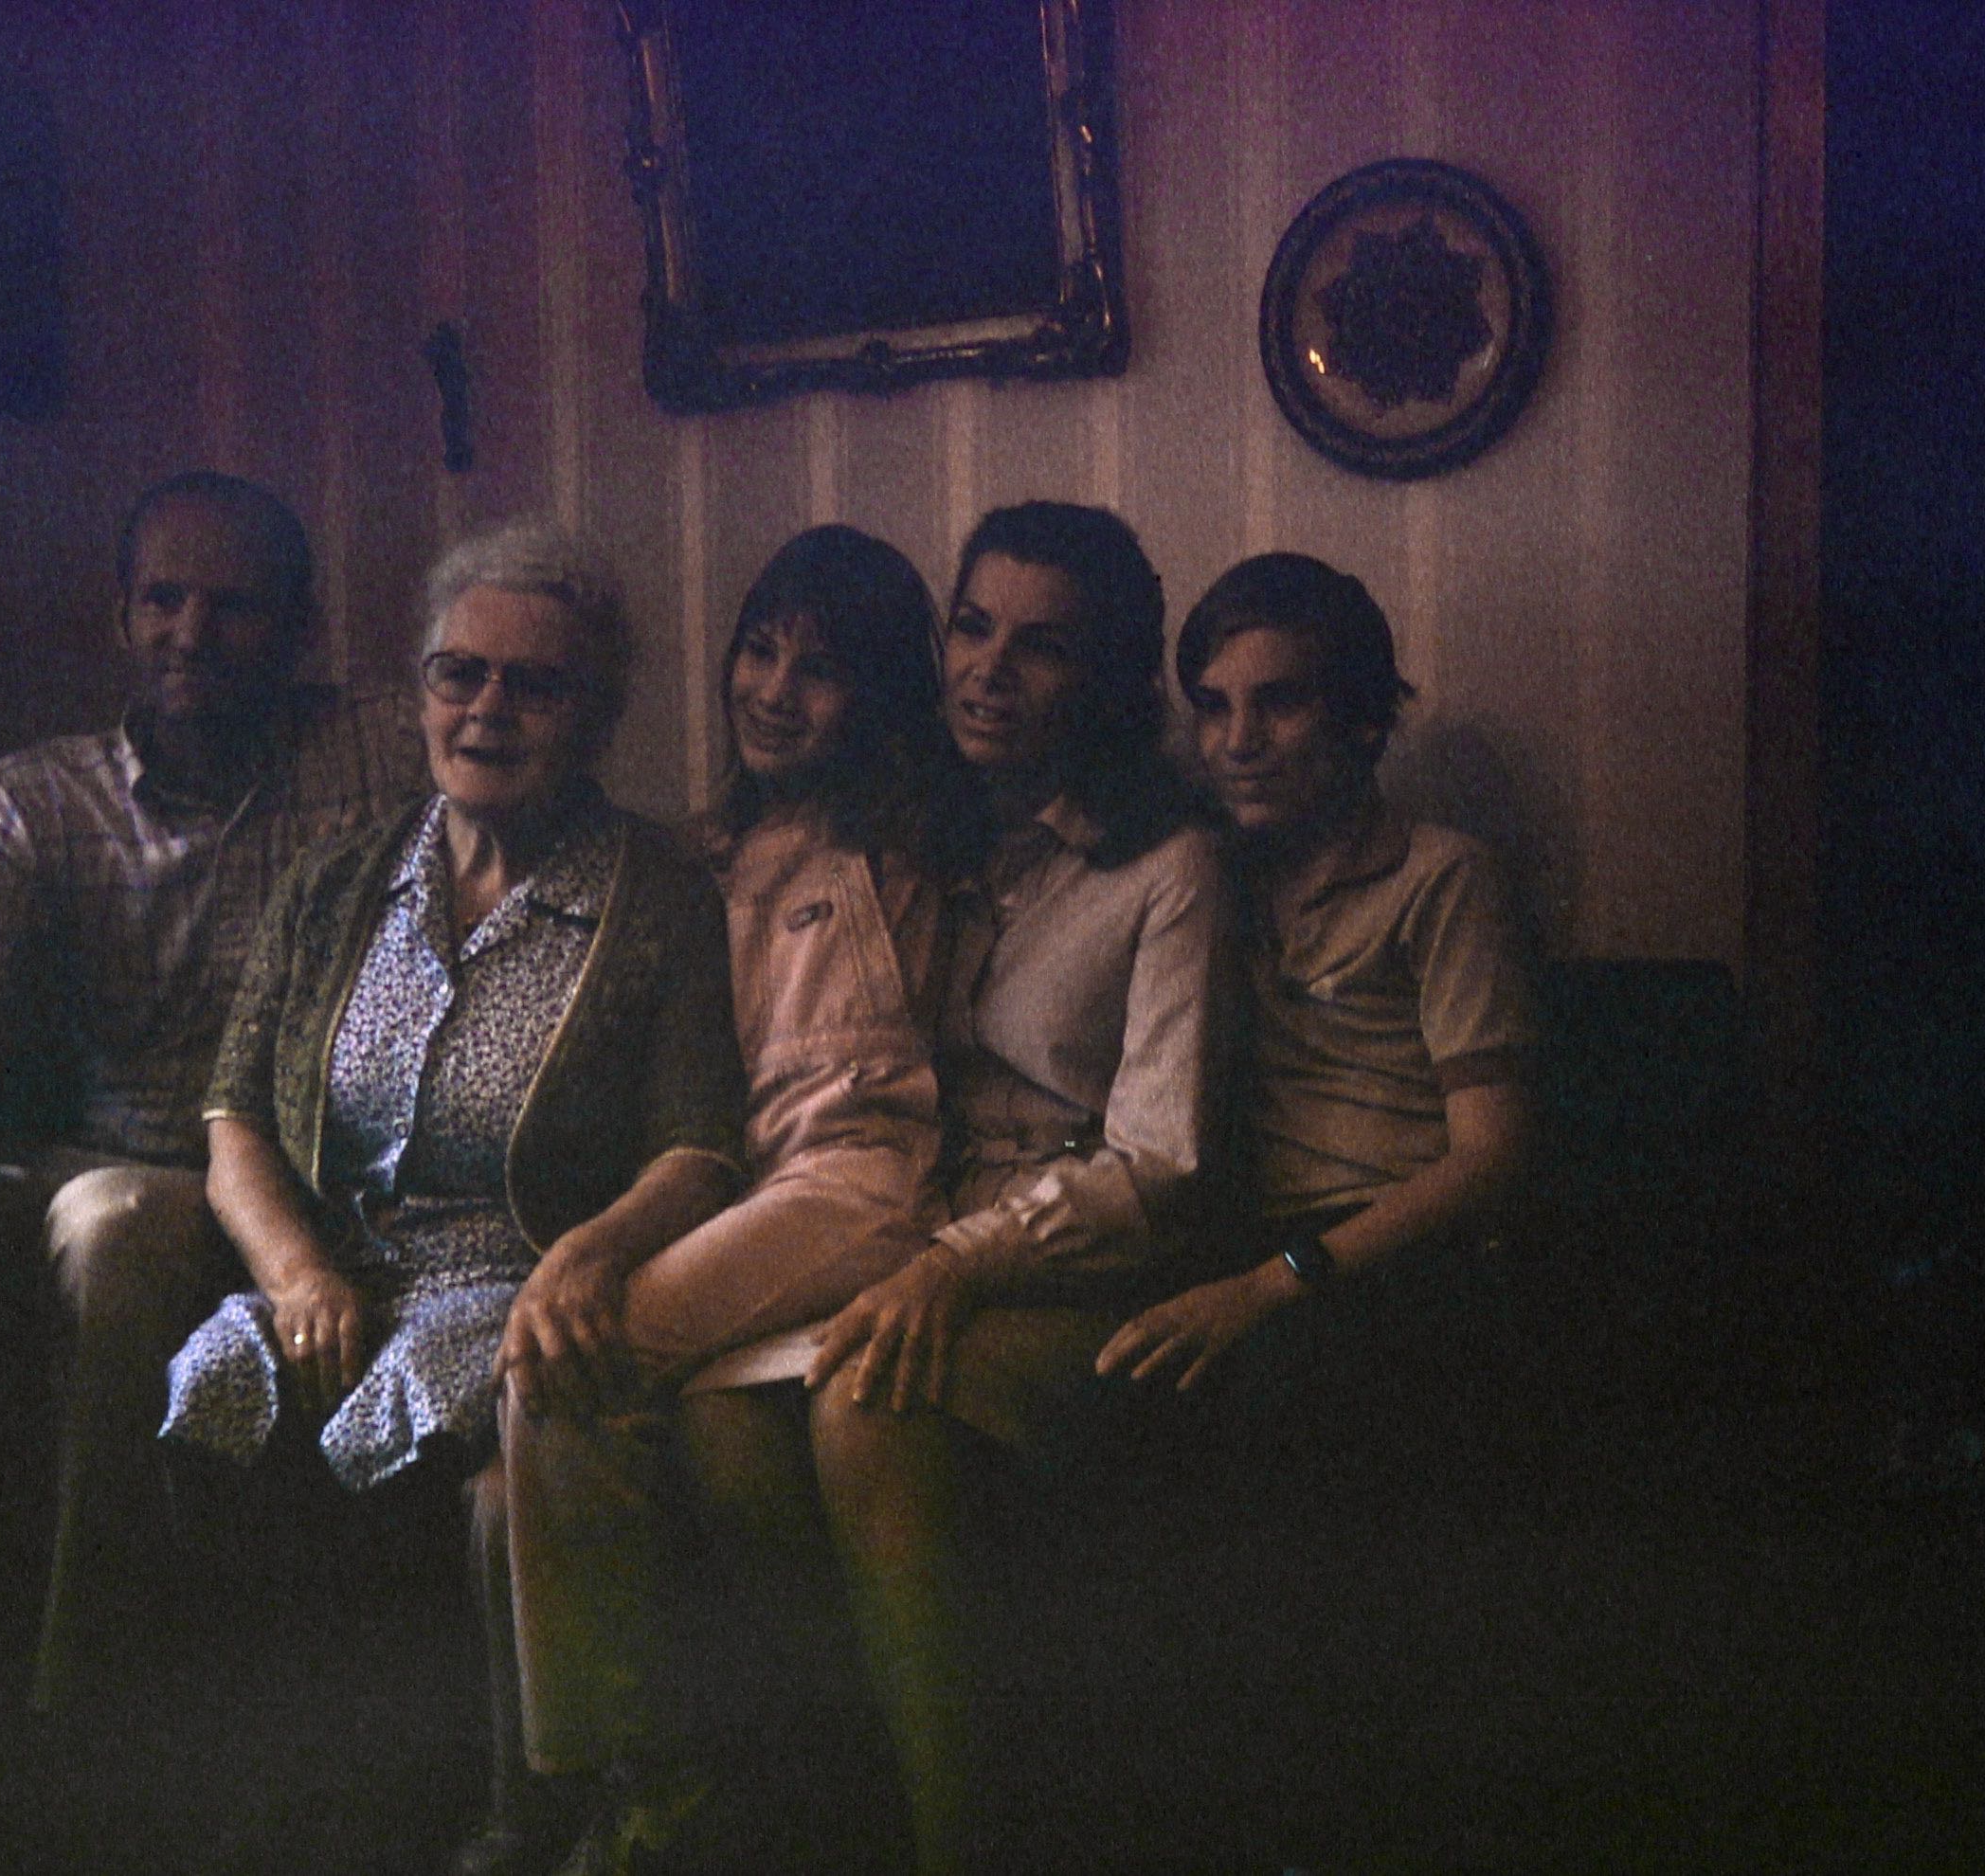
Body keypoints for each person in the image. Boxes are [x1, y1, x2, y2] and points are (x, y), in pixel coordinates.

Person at [0, 471, 423, 1715]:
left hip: (272, 1178)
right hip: (93, 1144)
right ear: (122, 615)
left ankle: (82, 1707)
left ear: (300, 631)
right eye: (163, 599)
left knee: (114, 1225)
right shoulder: (36, 798)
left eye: (234, 607)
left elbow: (525, 757)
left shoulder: (380, 749)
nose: (192, 633)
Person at [677, 503, 1229, 1876]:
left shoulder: (1167, 867)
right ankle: (850, 1790)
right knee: (719, 1414)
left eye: (1041, 648)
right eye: (972, 628)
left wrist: (957, 1267)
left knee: (868, 1408)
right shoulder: (911, 832)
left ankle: (956, 1841)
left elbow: (1159, 1163)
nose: (989, 669)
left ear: (1110, 680)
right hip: (901, 1229)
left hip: (1068, 1261)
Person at [479, 526, 983, 1875]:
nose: (773, 690)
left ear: (878, 697)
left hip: (863, 1185)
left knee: (567, 1359)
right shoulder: (696, 857)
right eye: (759, 652)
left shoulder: (915, 840)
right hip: (741, 1193)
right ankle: (724, 1769)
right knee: (638, 1398)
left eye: (819, 671)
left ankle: (608, 1785)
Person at [159, 515, 744, 1569]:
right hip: (333, 1282)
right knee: (211, 1385)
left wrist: (588, 1256)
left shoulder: (659, 898)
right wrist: (298, 1277)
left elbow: (698, 1148)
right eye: (459, 673)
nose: (487, 709)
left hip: (507, 1290)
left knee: (410, 1418)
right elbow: (234, 1116)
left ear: (596, 717)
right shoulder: (336, 880)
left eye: (536, 686)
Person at [1095, 550, 1532, 1437]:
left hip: (1394, 1250)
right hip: (1242, 1233)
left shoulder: (1440, 875)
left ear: (1363, 719)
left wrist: (1273, 1284)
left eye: (1280, 703)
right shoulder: (1208, 875)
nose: (1238, 742)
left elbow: (1493, 1156)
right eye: (1213, 707)